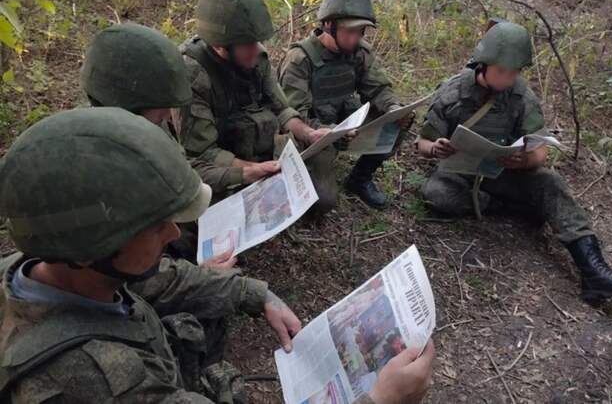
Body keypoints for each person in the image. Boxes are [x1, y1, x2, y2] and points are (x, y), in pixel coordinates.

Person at [0, 108, 435, 403]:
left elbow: (161, 278)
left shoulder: (51, 272)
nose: (173, 233)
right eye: (156, 225)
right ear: (92, 246)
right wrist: (380, 399)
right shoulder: (101, 381)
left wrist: (254, 293)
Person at [416, 22, 612, 302]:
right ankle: (511, 208)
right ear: (483, 65)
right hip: (459, 173)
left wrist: (523, 160)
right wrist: (435, 148)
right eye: (501, 71)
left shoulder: (522, 96)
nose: (507, 79)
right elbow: (423, 141)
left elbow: (540, 152)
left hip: (502, 173)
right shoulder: (453, 92)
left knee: (550, 181)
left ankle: (593, 269)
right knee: (437, 194)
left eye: (514, 73)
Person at [80, 22, 235, 264]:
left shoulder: (145, 124)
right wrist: (201, 276)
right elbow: (121, 268)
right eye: (160, 106)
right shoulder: (91, 164)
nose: (167, 113)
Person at [179, 0, 335, 211]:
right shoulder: (193, 74)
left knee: (323, 199)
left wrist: (308, 133)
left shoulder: (255, 58)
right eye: (248, 44)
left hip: (258, 148)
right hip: (221, 161)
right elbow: (203, 152)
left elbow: (281, 109)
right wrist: (253, 171)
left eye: (258, 41)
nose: (257, 49)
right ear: (220, 46)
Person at [278, 0, 414, 210]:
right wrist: (326, 132)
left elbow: (378, 88)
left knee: (395, 123)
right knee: (322, 201)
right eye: (349, 31)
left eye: (360, 31)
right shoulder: (300, 59)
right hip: (314, 133)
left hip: (346, 122)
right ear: (328, 25)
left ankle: (360, 179)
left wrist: (394, 108)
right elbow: (293, 114)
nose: (355, 38)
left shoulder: (359, 52)